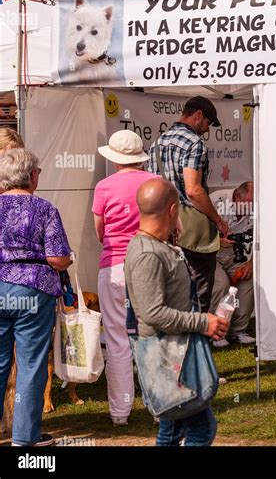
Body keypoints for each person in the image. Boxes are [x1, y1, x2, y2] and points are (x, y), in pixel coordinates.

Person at [124, 178, 229, 446]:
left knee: (170, 432)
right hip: (168, 359)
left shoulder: (155, 247)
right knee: (202, 428)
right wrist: (202, 322)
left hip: (172, 355)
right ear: (173, 210)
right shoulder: (148, 253)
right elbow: (153, 313)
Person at [0, 148, 72, 446]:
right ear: (31, 176)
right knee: (31, 363)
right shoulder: (45, 209)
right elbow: (58, 258)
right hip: (33, 290)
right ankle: (25, 438)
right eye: (38, 172)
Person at [92, 130, 156, 426]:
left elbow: (100, 232)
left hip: (114, 264)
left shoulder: (104, 187)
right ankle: (161, 408)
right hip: (148, 265)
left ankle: (120, 413)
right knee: (152, 337)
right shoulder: (156, 184)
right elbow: (173, 226)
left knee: (117, 341)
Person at [148, 96, 228, 314]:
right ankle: (195, 341)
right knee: (199, 289)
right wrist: (218, 220)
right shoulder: (194, 143)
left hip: (162, 226)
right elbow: (193, 190)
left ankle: (176, 339)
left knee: (170, 288)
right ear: (198, 116)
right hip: (191, 231)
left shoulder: (158, 142)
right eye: (208, 123)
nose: (207, 130)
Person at [209, 181, 255, 346]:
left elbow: (265, 235)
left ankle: (238, 330)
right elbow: (195, 230)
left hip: (234, 252)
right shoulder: (216, 201)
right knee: (221, 284)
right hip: (210, 251)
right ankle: (217, 332)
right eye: (249, 203)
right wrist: (217, 241)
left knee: (249, 279)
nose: (252, 209)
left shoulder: (257, 207)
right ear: (237, 196)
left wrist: (251, 262)